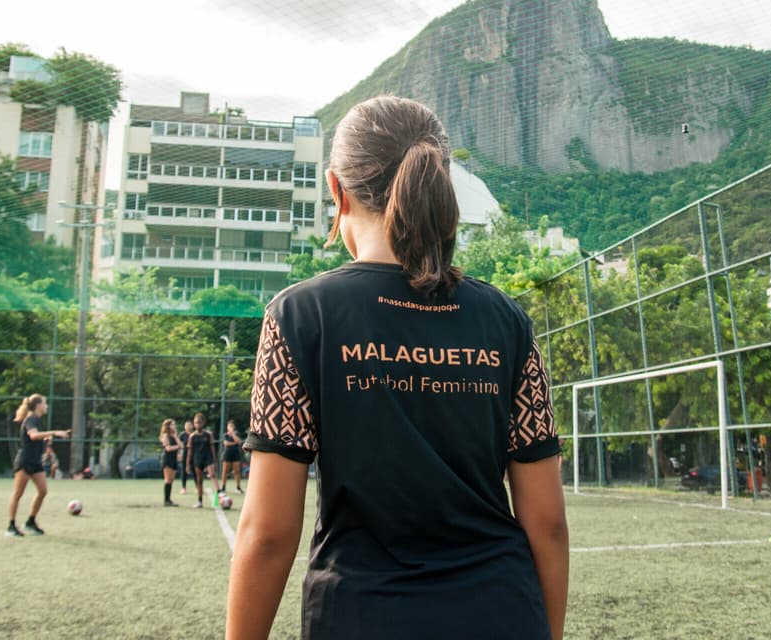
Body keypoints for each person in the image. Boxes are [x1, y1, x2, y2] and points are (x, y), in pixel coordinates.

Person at [226, 96, 568, 640]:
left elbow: (268, 533)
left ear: (336, 190)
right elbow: (546, 522)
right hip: (503, 613)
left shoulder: (298, 315)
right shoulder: (508, 320)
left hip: (360, 616)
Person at [6, 394, 69, 537]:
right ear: (38, 405)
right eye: (45, 403)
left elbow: (37, 438)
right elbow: (33, 435)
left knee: (43, 491)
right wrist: (54, 432)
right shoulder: (31, 419)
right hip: (25, 461)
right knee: (18, 494)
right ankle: (11, 526)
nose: (47, 406)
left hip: (35, 462)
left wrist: (47, 438)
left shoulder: (38, 420)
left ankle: (30, 522)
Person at [187, 413, 216, 508]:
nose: (197, 425)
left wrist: (214, 460)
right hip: (197, 459)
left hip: (208, 457)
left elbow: (212, 448)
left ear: (203, 423)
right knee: (199, 480)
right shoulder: (192, 436)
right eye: (195, 423)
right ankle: (200, 501)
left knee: (212, 475)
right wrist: (187, 464)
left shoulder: (208, 434)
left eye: (199, 422)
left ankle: (219, 496)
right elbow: (190, 451)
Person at [159, 418, 181, 507]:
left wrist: (176, 437)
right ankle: (166, 500)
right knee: (168, 480)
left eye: (174, 425)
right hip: (167, 459)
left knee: (171, 480)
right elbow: (168, 448)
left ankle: (169, 499)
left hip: (173, 459)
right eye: (172, 425)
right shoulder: (165, 436)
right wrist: (177, 446)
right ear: (167, 426)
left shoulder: (174, 436)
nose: (174, 426)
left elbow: (181, 445)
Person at [219, 419, 244, 494]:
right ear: (227, 427)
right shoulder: (225, 435)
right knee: (225, 471)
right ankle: (223, 487)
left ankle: (238, 487)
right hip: (227, 454)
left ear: (234, 427)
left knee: (237, 471)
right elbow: (226, 443)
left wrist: (233, 434)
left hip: (236, 454)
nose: (230, 427)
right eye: (229, 426)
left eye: (232, 426)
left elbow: (238, 441)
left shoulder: (236, 433)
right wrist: (234, 443)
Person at [178, 420, 193, 495]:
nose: (188, 427)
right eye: (187, 425)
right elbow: (178, 445)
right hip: (185, 455)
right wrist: (179, 454)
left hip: (194, 455)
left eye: (190, 425)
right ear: (185, 427)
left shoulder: (194, 434)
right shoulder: (182, 435)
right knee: (184, 472)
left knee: (196, 471)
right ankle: (183, 488)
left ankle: (197, 487)